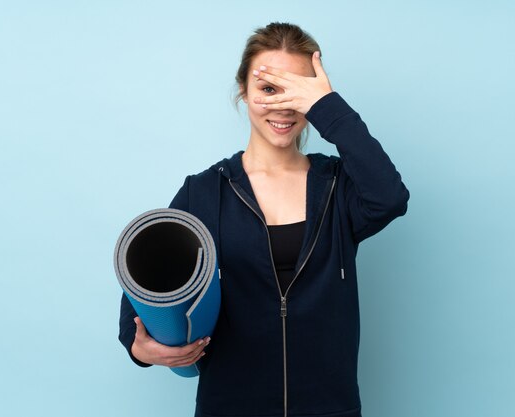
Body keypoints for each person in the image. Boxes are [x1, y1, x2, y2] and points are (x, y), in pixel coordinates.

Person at [119, 22, 409, 417]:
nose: (283, 106)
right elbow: (142, 292)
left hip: (330, 407)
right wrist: (139, 348)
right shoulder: (205, 192)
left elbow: (390, 198)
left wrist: (328, 106)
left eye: (296, 91)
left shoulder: (338, 187)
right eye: (269, 89)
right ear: (244, 90)